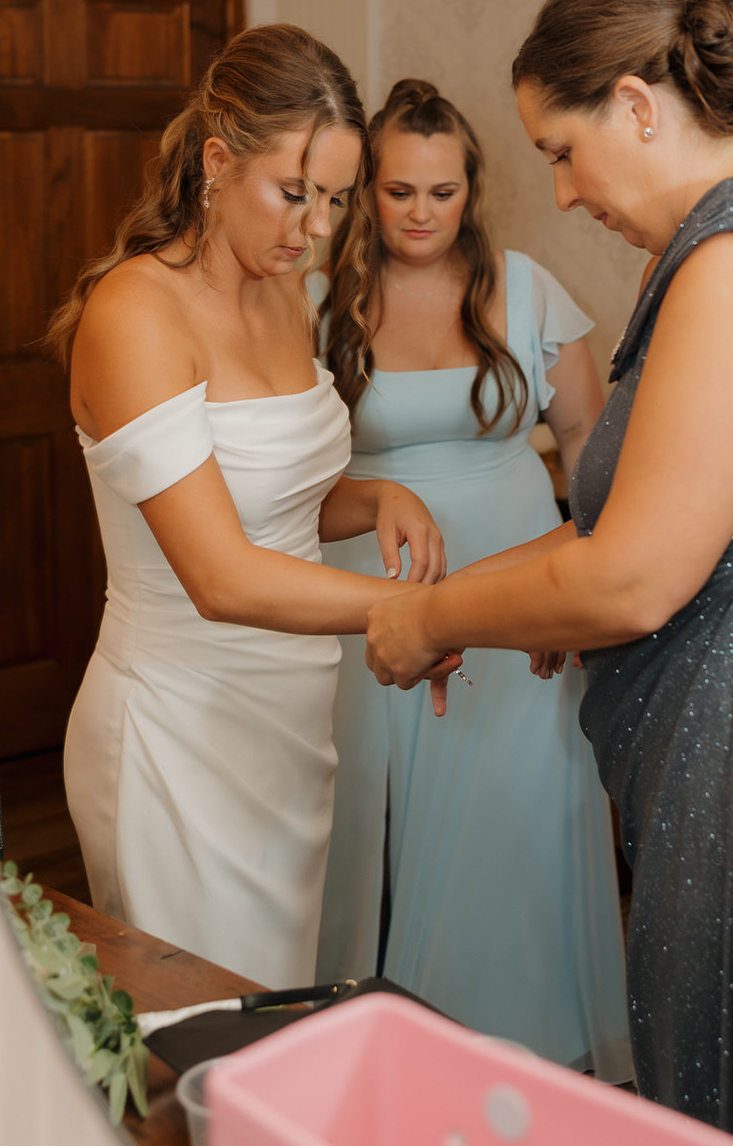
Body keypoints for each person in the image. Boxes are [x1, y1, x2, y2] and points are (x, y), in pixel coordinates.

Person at [364, 0, 733, 1136]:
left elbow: (629, 575)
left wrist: (427, 618)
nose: (563, 193)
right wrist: (508, 601)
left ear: (635, 104)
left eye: (562, 153)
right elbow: (628, 529)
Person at [49, 24, 455, 988]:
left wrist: (377, 496)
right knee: (192, 1028)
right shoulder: (134, 314)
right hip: (178, 731)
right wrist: (427, 612)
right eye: (294, 192)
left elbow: (273, 501)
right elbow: (221, 575)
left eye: (336, 199)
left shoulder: (288, 295)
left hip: (290, 725)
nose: (315, 229)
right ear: (216, 162)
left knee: (273, 1018)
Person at [312, 80, 632, 1078]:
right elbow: (294, 476)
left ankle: (515, 1036)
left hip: (518, 582)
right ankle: (382, 1041)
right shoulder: (320, 302)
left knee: (516, 795)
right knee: (372, 809)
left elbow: (588, 448)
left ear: (471, 190)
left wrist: (583, 589)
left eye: (441, 192)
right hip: (372, 585)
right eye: (398, 191)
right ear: (366, 190)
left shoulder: (528, 290)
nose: (420, 213)